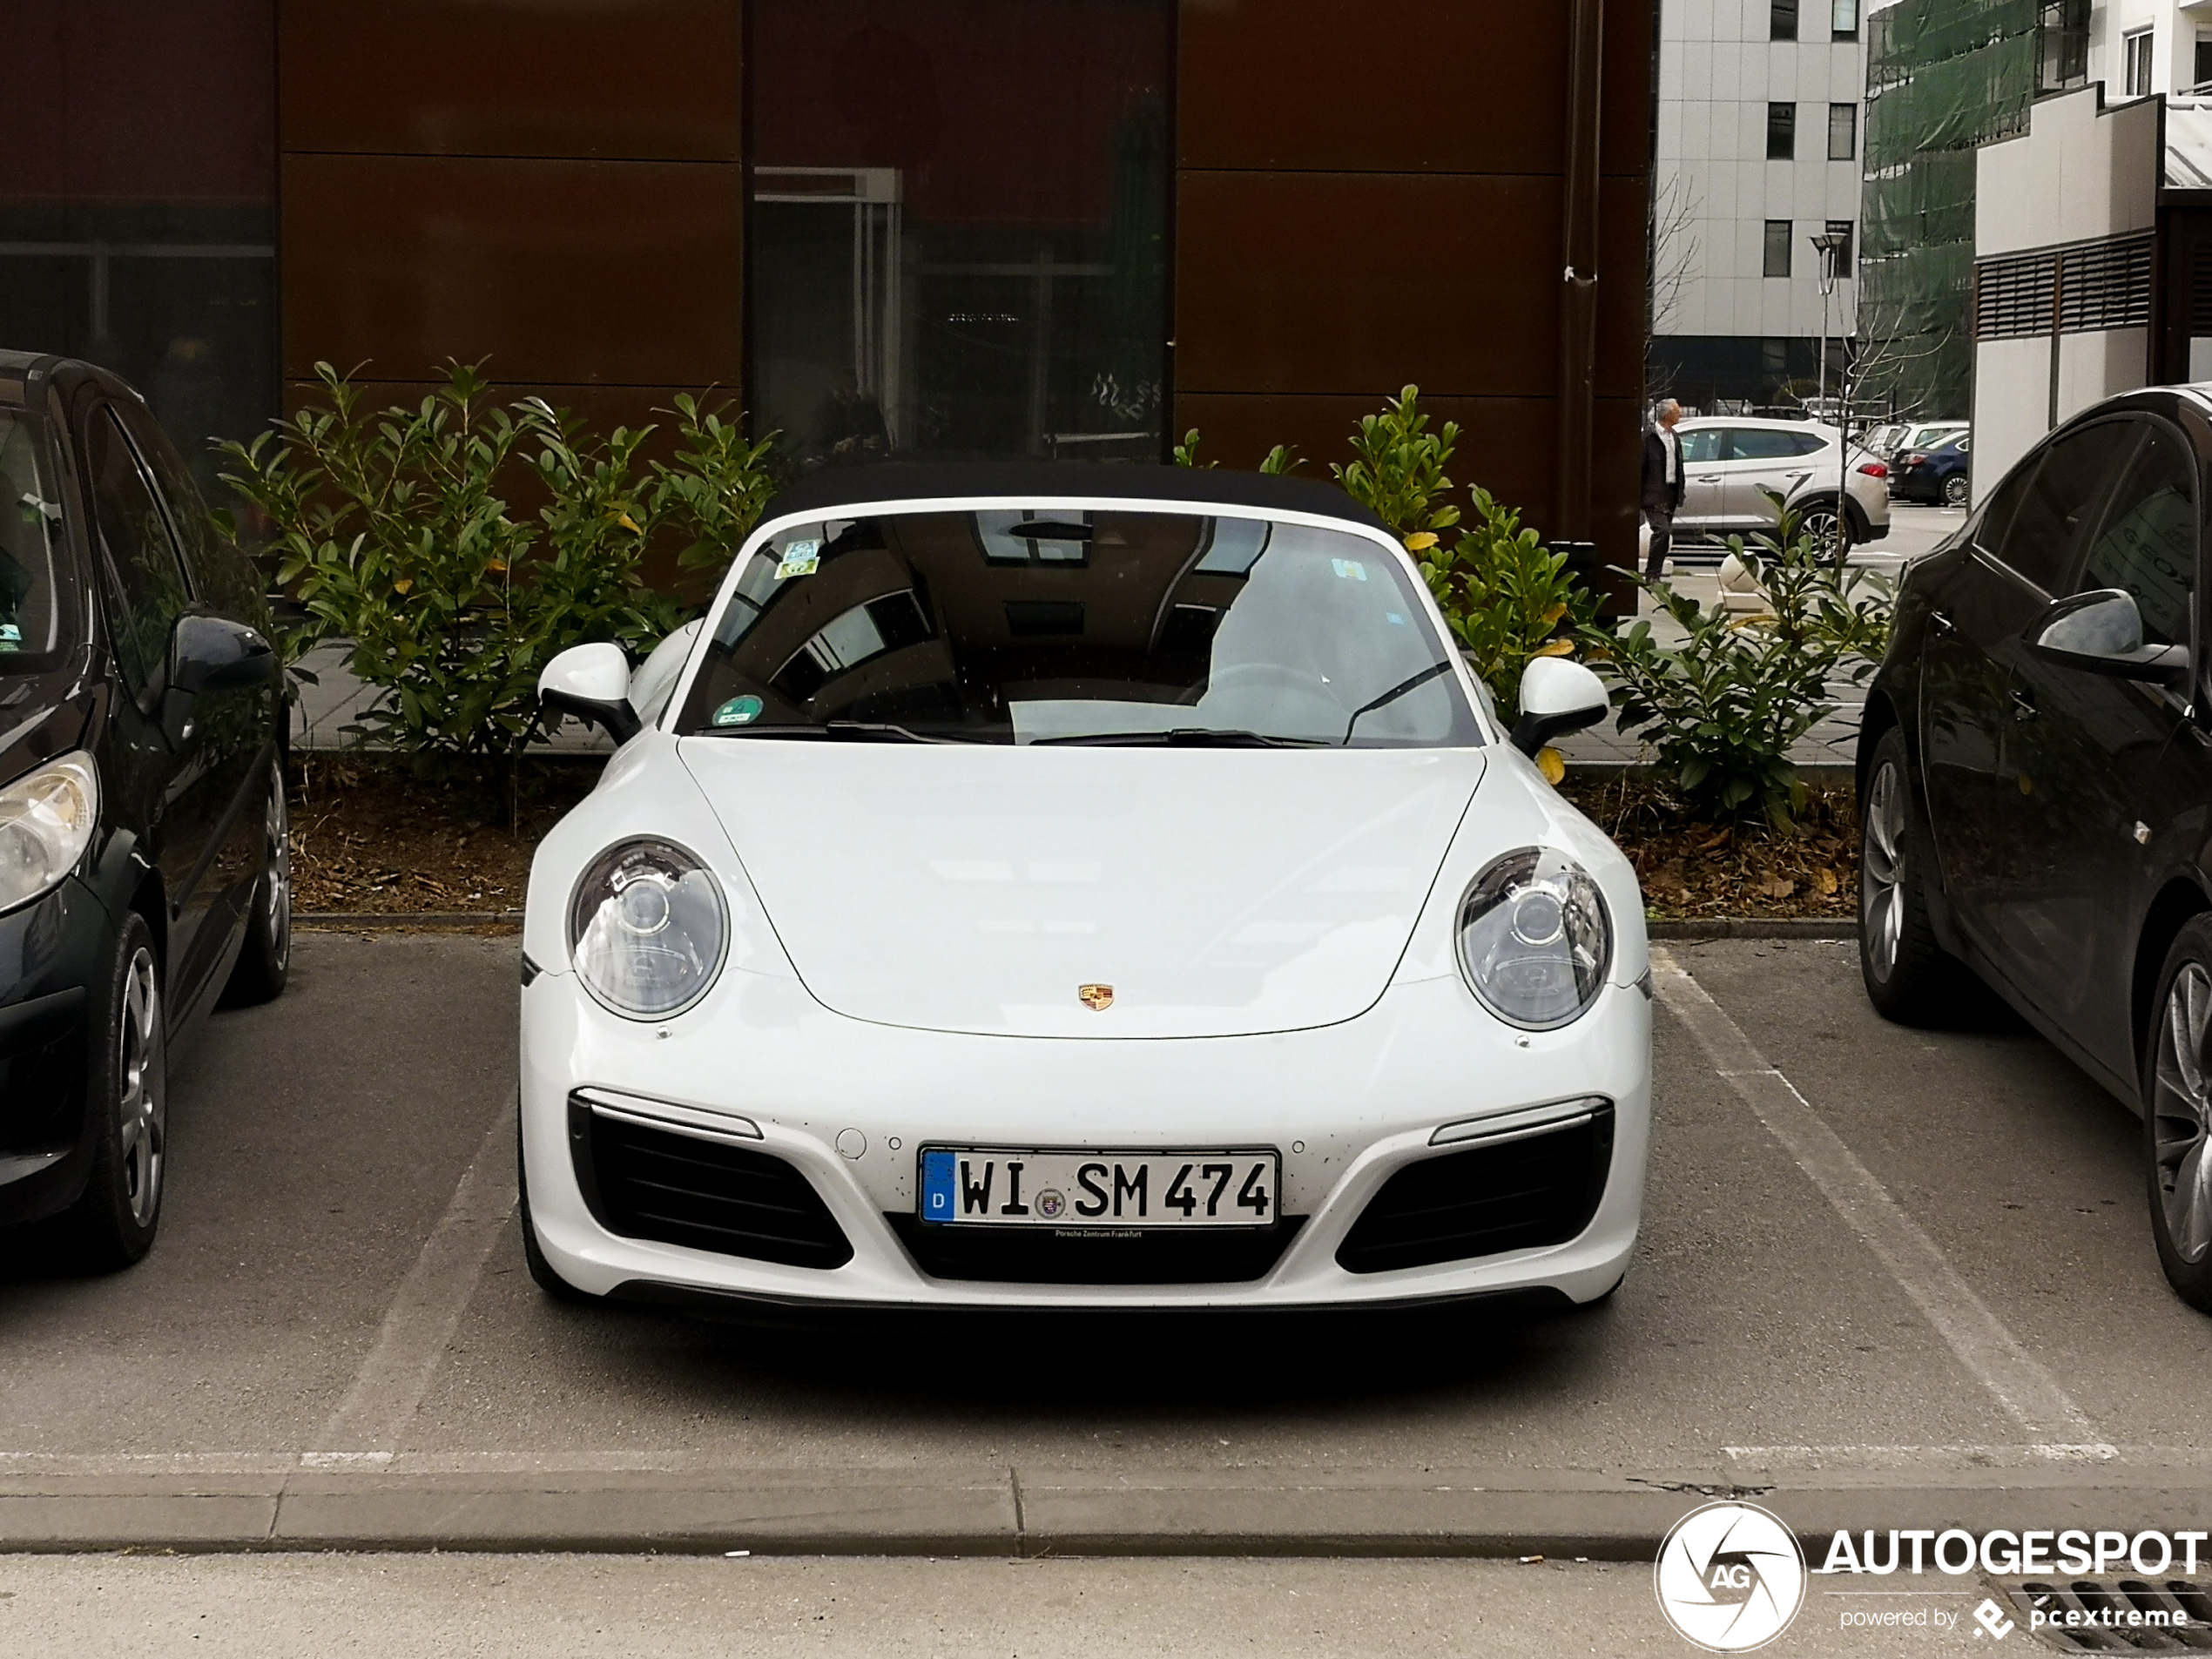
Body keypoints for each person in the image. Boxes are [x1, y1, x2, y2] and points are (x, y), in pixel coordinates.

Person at [1641, 399, 1686, 580]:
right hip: (1653, 494)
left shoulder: (1674, 437)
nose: (1680, 414)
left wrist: (1680, 490)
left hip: (1670, 493)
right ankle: (1652, 574)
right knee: (1662, 531)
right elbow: (1641, 466)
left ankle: (1655, 574)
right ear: (1667, 414)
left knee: (1665, 537)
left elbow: (1678, 465)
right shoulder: (1649, 437)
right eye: (1677, 411)